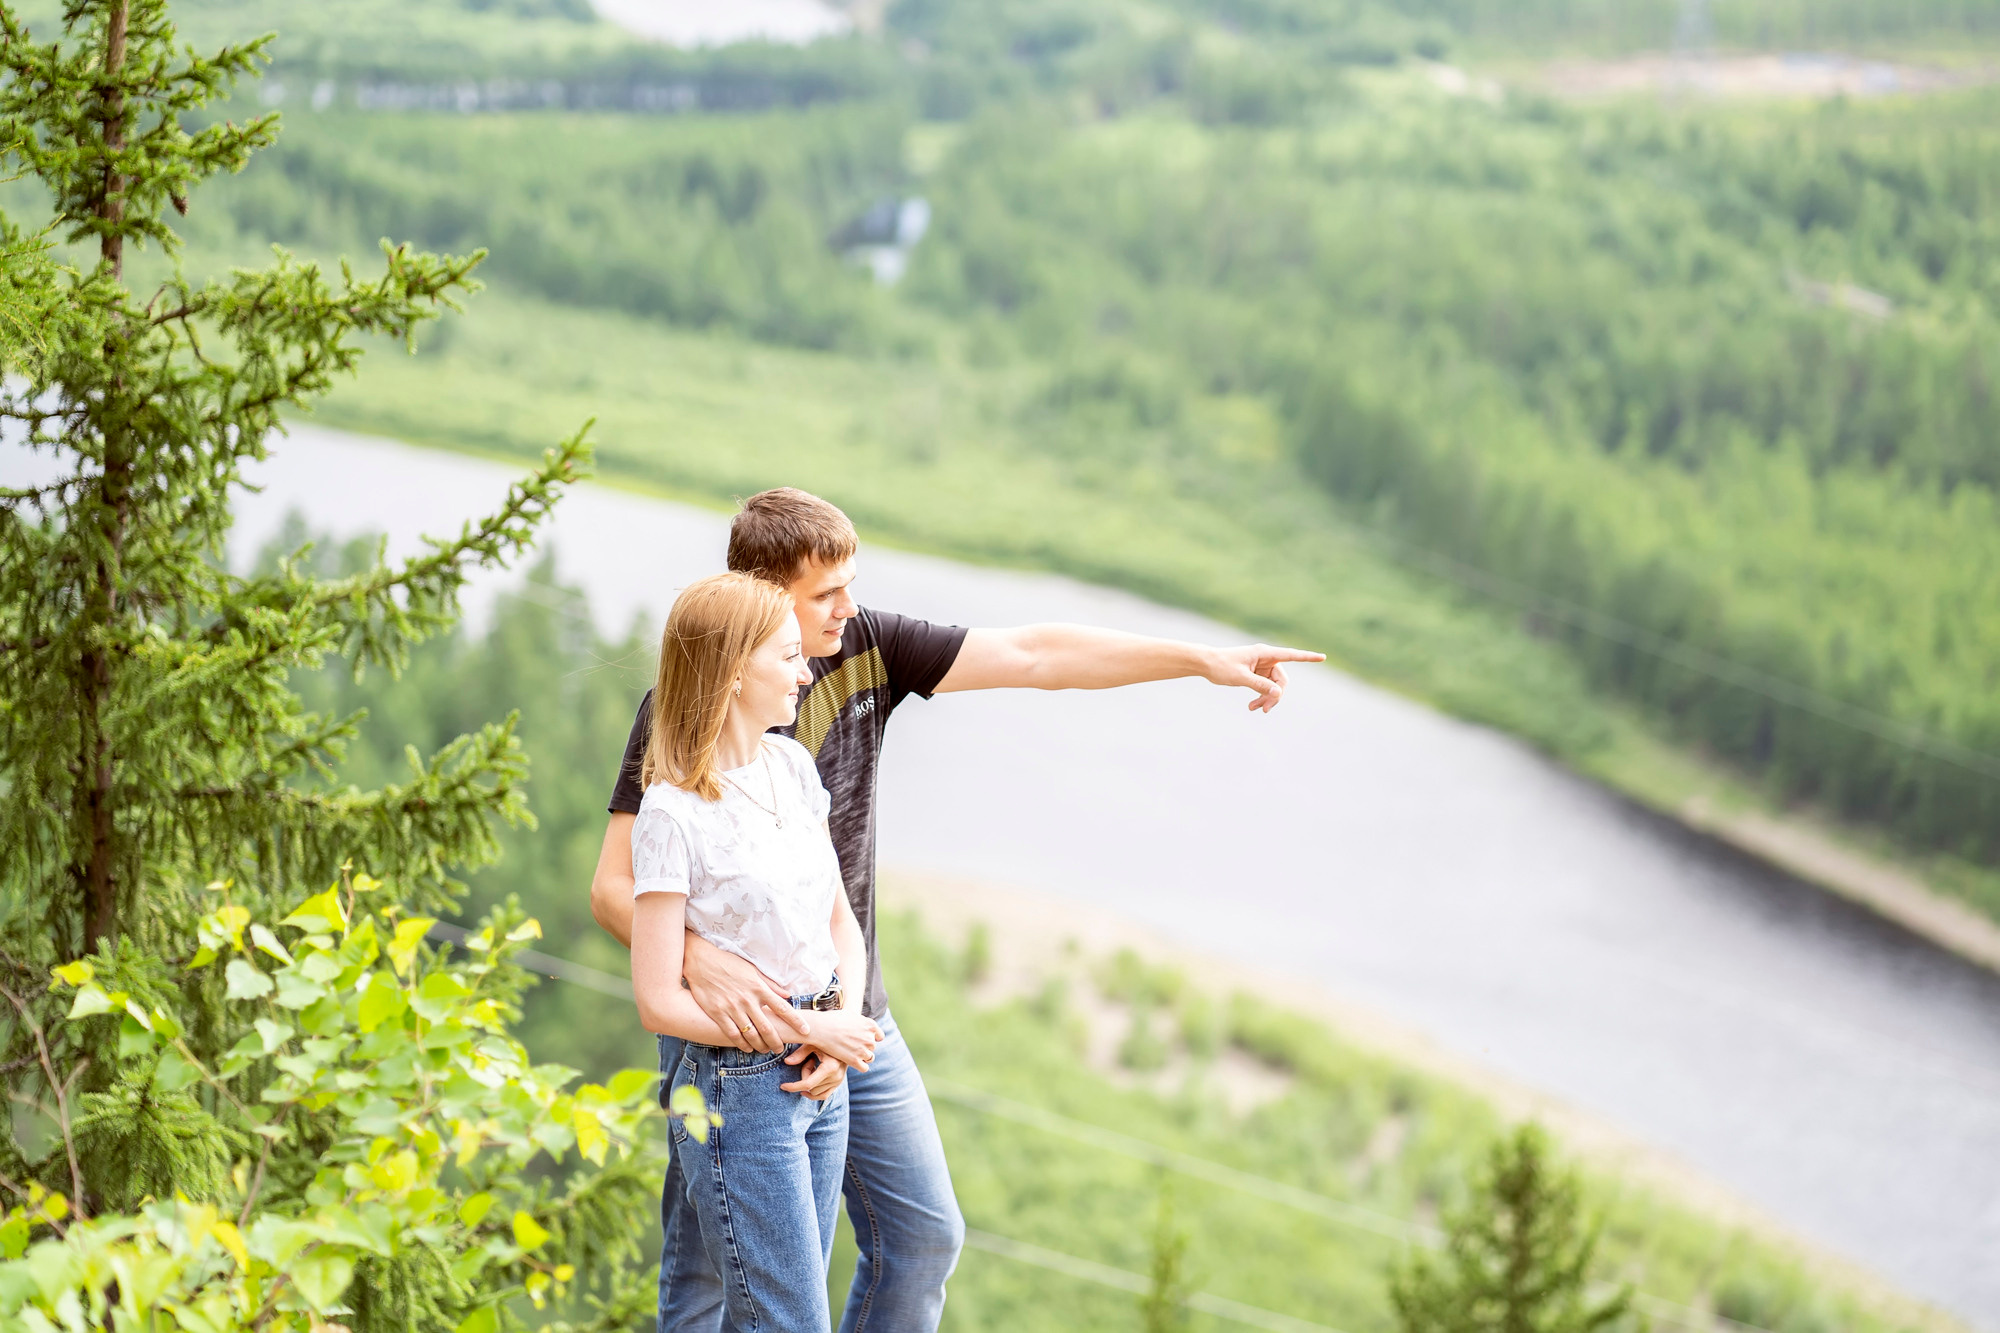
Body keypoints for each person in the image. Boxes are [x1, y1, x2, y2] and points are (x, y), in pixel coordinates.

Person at [592, 487, 1323, 1333]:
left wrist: (1201, 657)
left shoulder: (868, 649)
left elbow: (1036, 654)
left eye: (850, 585)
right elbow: (619, 884)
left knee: (923, 1236)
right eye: (823, 592)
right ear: (758, 596)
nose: (846, 607)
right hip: (734, 1038)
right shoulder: (687, 713)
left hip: (851, 1010)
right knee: (709, 1279)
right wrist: (698, 958)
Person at [627, 571, 884, 1333]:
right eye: (788, 657)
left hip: (820, 1080)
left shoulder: (793, 769)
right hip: (738, 1095)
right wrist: (813, 1031)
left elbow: (841, 917)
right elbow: (658, 1000)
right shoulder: (671, 813)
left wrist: (837, 1024)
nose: (807, 671)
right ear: (736, 670)